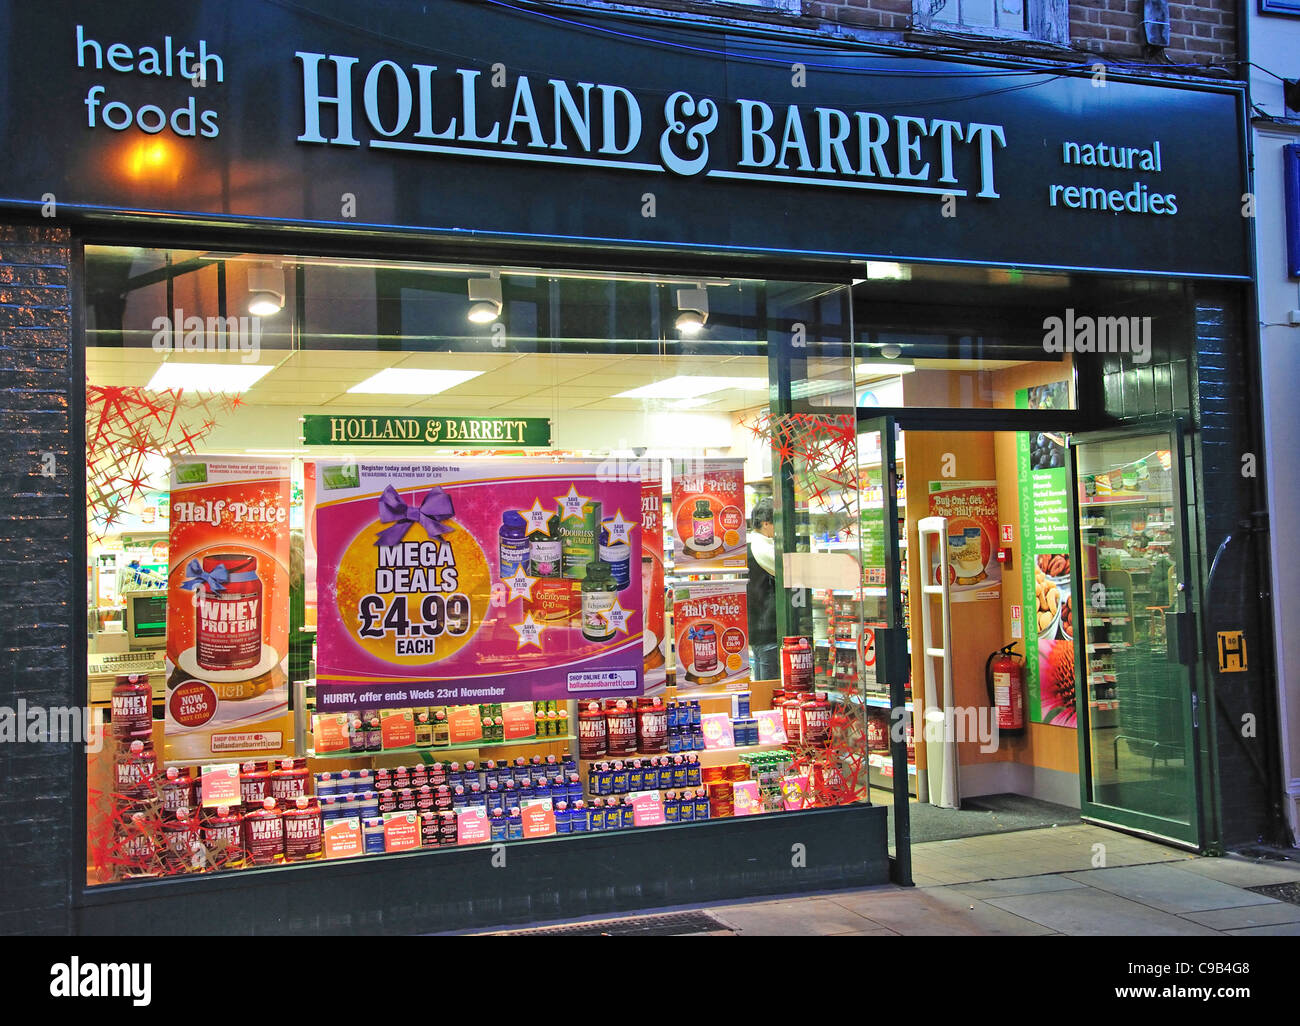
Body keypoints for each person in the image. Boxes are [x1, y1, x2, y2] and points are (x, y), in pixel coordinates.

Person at [747, 497, 779, 681]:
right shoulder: (763, 550)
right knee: (769, 687)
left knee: (761, 685)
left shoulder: (750, 546)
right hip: (768, 630)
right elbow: (786, 571)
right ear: (766, 524)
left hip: (757, 630)